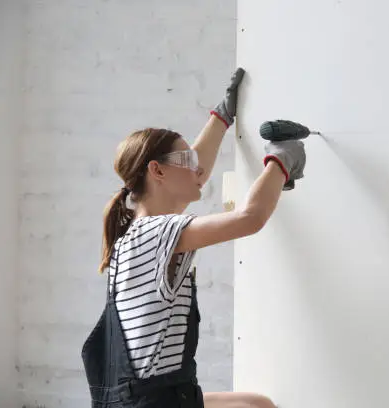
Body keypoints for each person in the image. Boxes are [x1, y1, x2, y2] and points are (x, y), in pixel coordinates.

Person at [81, 67, 306, 408]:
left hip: (150, 398)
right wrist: (281, 160)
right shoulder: (157, 233)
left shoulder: (136, 234)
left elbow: (194, 171)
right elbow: (250, 218)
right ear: (157, 171)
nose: (198, 169)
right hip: (155, 402)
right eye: (186, 161)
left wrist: (222, 116)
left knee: (257, 405)